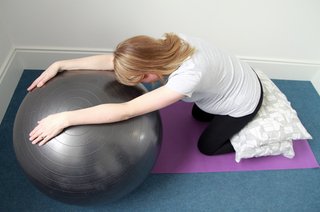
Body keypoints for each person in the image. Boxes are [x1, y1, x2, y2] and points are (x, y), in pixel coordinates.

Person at [28, 33, 263, 155]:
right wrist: (62, 64)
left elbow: (125, 111)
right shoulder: (167, 45)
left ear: (150, 70)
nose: (141, 83)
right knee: (198, 116)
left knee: (207, 147)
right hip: (227, 83)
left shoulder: (188, 77)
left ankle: (261, 138)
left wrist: (65, 118)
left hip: (241, 101)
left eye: (140, 78)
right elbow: (114, 61)